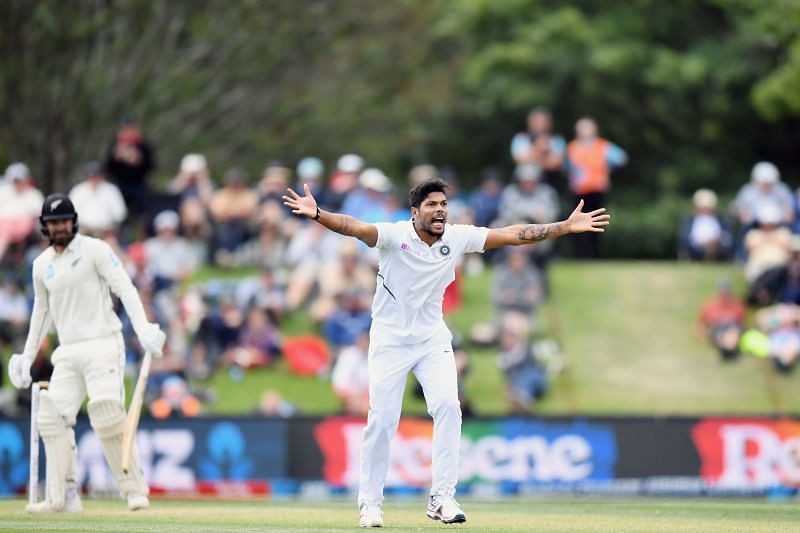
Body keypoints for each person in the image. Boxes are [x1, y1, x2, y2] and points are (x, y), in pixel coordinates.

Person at [283, 177, 609, 527]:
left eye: (443, 205)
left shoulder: (456, 237)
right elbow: (353, 227)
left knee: (449, 408)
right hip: (389, 340)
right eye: (431, 205)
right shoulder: (395, 236)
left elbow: (514, 234)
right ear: (415, 212)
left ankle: (441, 497)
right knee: (381, 420)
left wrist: (563, 227)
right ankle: (371, 503)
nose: (439, 211)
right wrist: (318, 214)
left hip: (432, 338)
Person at [7, 193, 166, 513]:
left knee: (106, 412)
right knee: (50, 417)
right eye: (53, 223)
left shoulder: (96, 250)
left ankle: (134, 490)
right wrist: (26, 355)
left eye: (64, 221)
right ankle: (63, 497)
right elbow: (41, 313)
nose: (60, 227)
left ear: (74, 221)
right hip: (67, 351)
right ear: (44, 227)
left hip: (104, 343)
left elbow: (125, 287)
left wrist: (144, 328)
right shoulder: (41, 266)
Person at [566, 117, 627, 259]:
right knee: (575, 224)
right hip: (578, 191)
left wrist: (608, 169)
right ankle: (579, 256)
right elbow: (566, 167)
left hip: (596, 191)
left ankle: (594, 256)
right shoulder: (572, 147)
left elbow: (622, 158)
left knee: (596, 225)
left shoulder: (602, 146)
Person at [69, 161, 128, 236]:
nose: (94, 179)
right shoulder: (78, 190)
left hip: (106, 231)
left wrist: (110, 226)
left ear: (101, 176)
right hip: (82, 230)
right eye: (91, 176)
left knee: (112, 243)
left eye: (96, 176)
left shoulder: (111, 190)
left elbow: (121, 213)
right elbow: (71, 213)